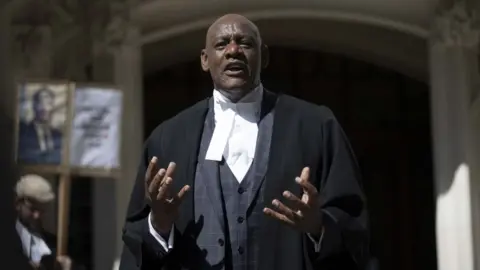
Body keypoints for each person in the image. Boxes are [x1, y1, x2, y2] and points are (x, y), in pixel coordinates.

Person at [120, 14, 369, 270]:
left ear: (265, 56)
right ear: (205, 60)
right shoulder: (168, 137)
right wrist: (158, 224)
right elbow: (136, 241)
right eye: (221, 44)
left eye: (245, 43)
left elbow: (353, 225)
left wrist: (318, 227)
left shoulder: (315, 126)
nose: (233, 51)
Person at [15, 174, 82, 270]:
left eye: (41, 211)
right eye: (32, 209)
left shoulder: (57, 246)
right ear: (18, 204)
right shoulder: (7, 242)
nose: (37, 216)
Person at [18, 87, 63, 165]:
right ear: (34, 106)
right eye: (41, 103)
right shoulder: (23, 134)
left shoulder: (59, 136)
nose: (44, 108)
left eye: (48, 104)